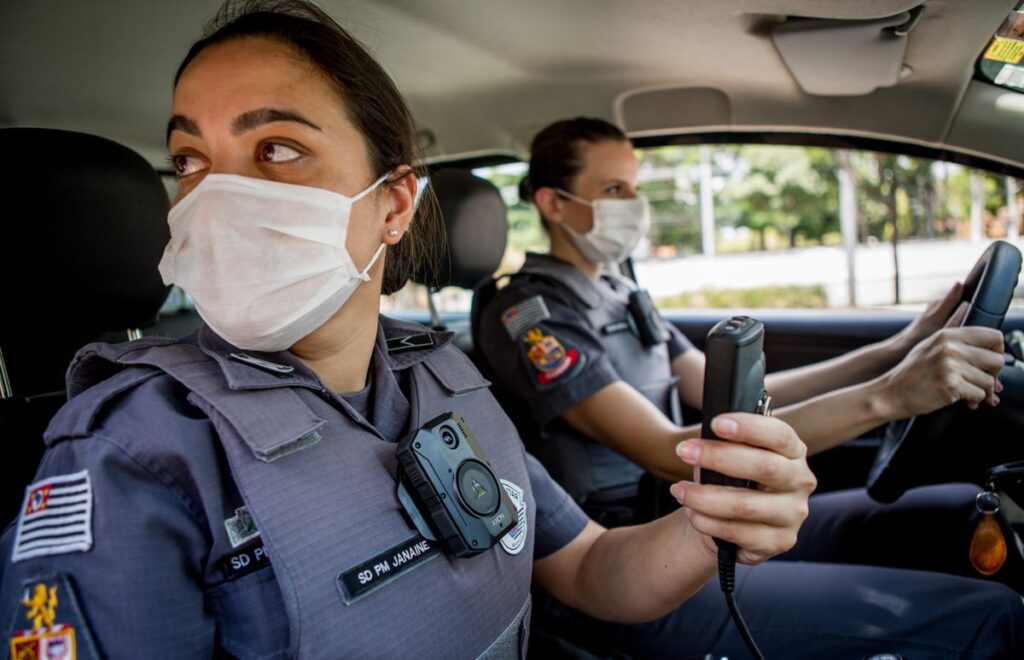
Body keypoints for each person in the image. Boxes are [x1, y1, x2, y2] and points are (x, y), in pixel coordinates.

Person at [0, 4, 820, 658]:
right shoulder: (132, 454)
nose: (217, 198)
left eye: (277, 148)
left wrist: (712, 521)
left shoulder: (442, 382)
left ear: (393, 205)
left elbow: (590, 566)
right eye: (188, 161)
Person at [474, 116, 1024, 657]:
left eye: (636, 189)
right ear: (553, 203)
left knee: (957, 512)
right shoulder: (528, 316)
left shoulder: (621, 292)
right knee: (988, 617)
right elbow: (670, 452)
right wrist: (889, 396)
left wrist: (900, 347)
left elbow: (749, 396)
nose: (634, 206)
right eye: (615, 190)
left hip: (695, 517)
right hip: (630, 550)